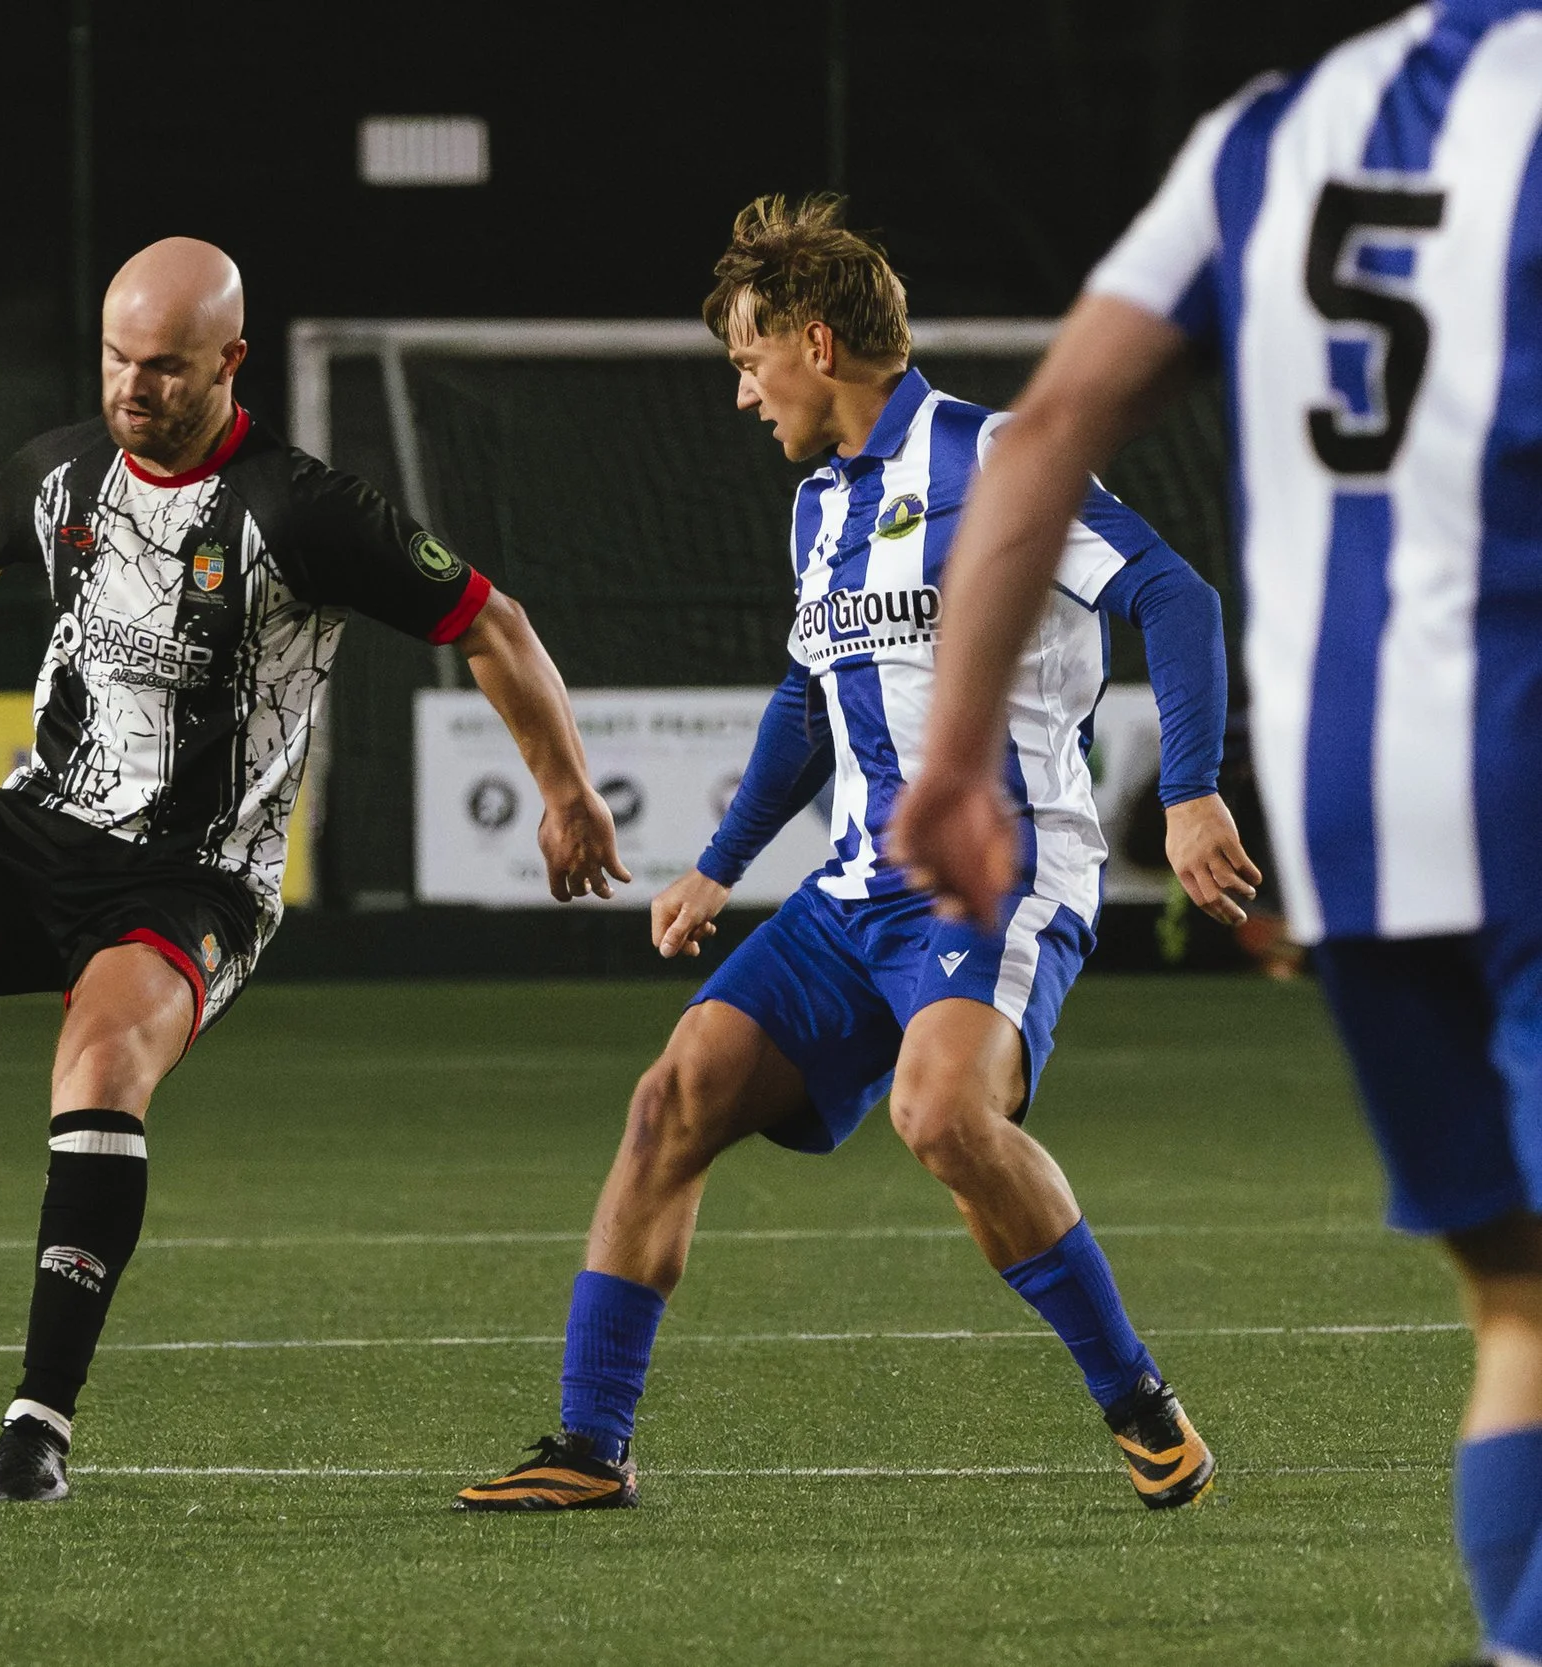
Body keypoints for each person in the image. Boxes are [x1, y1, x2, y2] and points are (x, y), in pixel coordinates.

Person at [0, 236, 628, 1502]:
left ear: (229, 361)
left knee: (97, 1071)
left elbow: (490, 621)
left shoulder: (301, 507)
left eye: (163, 368)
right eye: (116, 360)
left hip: (193, 879)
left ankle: (38, 1417)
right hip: (36, 828)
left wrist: (568, 791)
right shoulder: (65, 471)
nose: (133, 389)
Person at [892, 5, 1542, 1659]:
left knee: (1523, 1308)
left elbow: (1042, 431)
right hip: (1529, 759)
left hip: (1360, 816)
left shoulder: (1275, 126)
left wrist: (953, 758)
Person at [456, 194, 1260, 1512]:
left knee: (941, 1112)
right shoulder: (819, 510)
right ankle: (590, 1446)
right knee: (672, 1099)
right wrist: (719, 861)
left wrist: (1188, 792)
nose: (739, 392)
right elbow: (805, 698)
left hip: (994, 873)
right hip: (848, 896)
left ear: (816, 345)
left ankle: (1139, 1402)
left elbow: (1174, 592)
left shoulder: (1001, 455)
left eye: (746, 357)